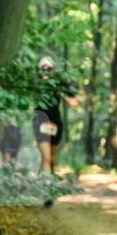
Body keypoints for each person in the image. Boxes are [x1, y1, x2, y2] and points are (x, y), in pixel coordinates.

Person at [31, 56, 78, 207]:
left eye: (48, 69)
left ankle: (42, 184)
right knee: (46, 158)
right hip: (40, 122)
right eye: (43, 69)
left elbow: (73, 99)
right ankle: (46, 193)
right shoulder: (34, 84)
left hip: (55, 124)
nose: (45, 71)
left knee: (51, 160)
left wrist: (69, 90)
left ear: (52, 70)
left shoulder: (57, 84)